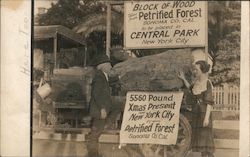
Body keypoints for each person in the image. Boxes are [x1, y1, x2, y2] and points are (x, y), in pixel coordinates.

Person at [178, 60, 215, 157]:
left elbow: (209, 102)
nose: (195, 71)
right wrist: (183, 78)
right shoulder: (197, 82)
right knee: (201, 142)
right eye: (195, 70)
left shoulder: (207, 83)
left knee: (206, 143)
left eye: (197, 70)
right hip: (196, 114)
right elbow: (190, 88)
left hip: (204, 115)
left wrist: (207, 118)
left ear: (202, 71)